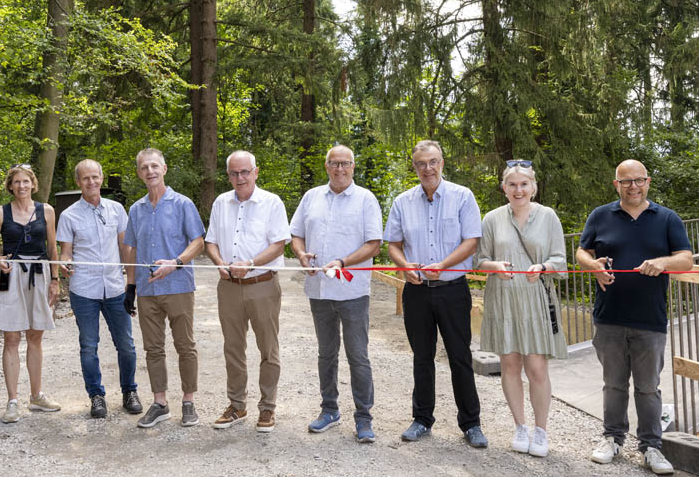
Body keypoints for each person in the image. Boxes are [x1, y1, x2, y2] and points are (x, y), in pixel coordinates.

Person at [576, 159, 693, 475]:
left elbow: (686, 260)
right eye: (625, 181)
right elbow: (581, 252)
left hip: (650, 319)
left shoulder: (667, 218)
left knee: (648, 387)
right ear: (616, 185)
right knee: (613, 384)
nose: (632, 187)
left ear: (648, 182)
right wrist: (593, 266)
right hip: (608, 317)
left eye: (638, 180)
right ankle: (612, 439)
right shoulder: (601, 215)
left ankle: (651, 447)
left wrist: (663, 263)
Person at [384, 140, 487, 449]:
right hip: (416, 292)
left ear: (442, 163)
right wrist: (404, 267)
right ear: (413, 167)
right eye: (420, 164)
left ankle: (471, 424)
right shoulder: (403, 201)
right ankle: (422, 419)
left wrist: (443, 264)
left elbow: (471, 241)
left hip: (453, 290)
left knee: (460, 357)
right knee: (422, 357)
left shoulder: (462, 197)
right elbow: (393, 244)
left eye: (432, 162)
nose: (427, 168)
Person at [290, 145, 383, 443]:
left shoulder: (366, 199)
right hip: (319, 290)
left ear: (353, 166)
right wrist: (302, 254)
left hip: (353, 290)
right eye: (334, 163)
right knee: (326, 354)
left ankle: (363, 418)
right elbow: (296, 234)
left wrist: (343, 261)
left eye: (345, 163)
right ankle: (329, 410)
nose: (339, 169)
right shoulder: (311, 197)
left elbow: (374, 244)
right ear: (326, 166)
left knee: (358, 356)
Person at [476, 160, 567, 457]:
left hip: (536, 299)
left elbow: (560, 261)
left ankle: (541, 430)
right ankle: (520, 426)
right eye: (512, 184)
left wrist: (543, 266)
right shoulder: (491, 219)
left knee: (537, 366)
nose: (518, 190)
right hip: (503, 298)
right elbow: (480, 260)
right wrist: (494, 266)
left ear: (534, 187)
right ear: (504, 188)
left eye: (524, 184)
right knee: (510, 364)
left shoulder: (548, 216)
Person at [204, 150, 290, 433]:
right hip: (228, 286)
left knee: (268, 348)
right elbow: (211, 242)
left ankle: (267, 408)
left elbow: (279, 244)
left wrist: (251, 264)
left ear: (255, 172)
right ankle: (237, 405)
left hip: (262, 284)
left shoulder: (271, 202)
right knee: (233, 348)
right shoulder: (221, 202)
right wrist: (219, 264)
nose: (239, 178)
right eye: (233, 173)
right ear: (228, 175)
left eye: (244, 172)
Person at [120, 148, 206, 428]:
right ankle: (160, 403)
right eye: (144, 168)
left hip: (179, 286)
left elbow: (198, 242)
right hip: (147, 291)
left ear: (164, 169)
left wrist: (176, 262)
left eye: (154, 166)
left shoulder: (183, 204)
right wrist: (130, 286)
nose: (150, 171)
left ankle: (188, 401)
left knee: (185, 346)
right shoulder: (136, 209)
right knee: (153, 349)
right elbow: (130, 249)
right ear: (139, 173)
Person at [58, 159, 141, 419]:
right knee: (88, 346)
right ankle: (96, 395)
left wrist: (131, 284)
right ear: (78, 182)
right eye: (85, 178)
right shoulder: (69, 215)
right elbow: (65, 253)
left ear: (102, 178)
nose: (91, 182)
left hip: (115, 288)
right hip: (84, 289)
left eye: (95, 177)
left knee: (126, 345)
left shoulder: (117, 209)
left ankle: (129, 391)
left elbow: (126, 248)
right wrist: (65, 264)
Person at [0, 163, 61, 424]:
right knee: (12, 338)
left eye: (25, 181)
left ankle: (36, 395)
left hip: (39, 275)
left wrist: (55, 280)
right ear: (10, 185)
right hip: (11, 277)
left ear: (33, 184)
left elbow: (52, 248)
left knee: (35, 336)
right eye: (16, 182)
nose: (21, 186)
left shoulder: (47, 211)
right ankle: (12, 401)